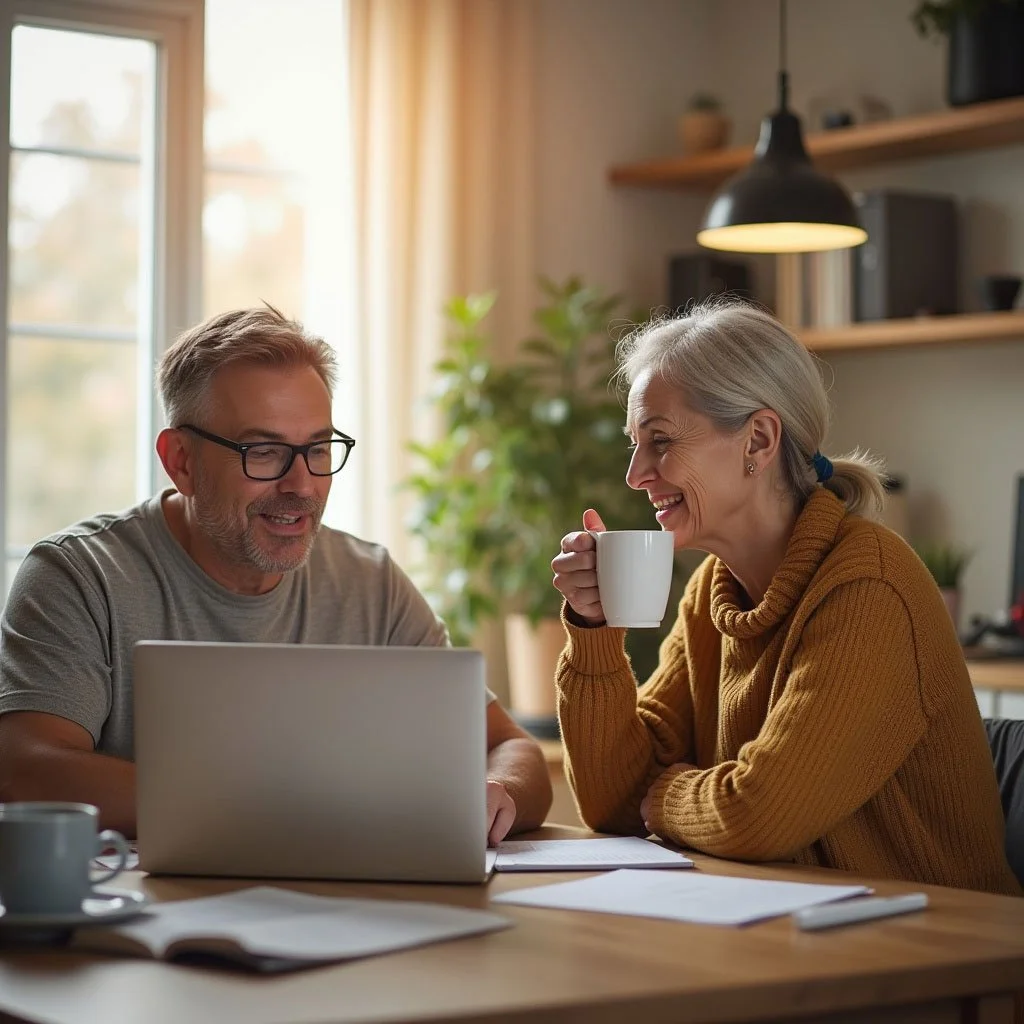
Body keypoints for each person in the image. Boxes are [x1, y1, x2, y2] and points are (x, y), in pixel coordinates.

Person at [0, 306, 551, 845]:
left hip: (346, 917)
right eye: (262, 452)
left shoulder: (371, 583)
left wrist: (496, 791)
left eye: (317, 448)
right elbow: (25, 771)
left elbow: (510, 747)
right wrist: (283, 810)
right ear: (181, 461)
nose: (302, 485)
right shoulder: (79, 575)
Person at [551, 299, 1020, 896]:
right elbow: (610, 803)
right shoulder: (710, 597)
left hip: (941, 957)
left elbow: (758, 814)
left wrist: (665, 791)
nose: (636, 473)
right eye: (634, 445)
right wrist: (593, 631)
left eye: (660, 441)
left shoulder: (867, 587)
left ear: (758, 440)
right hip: (796, 939)